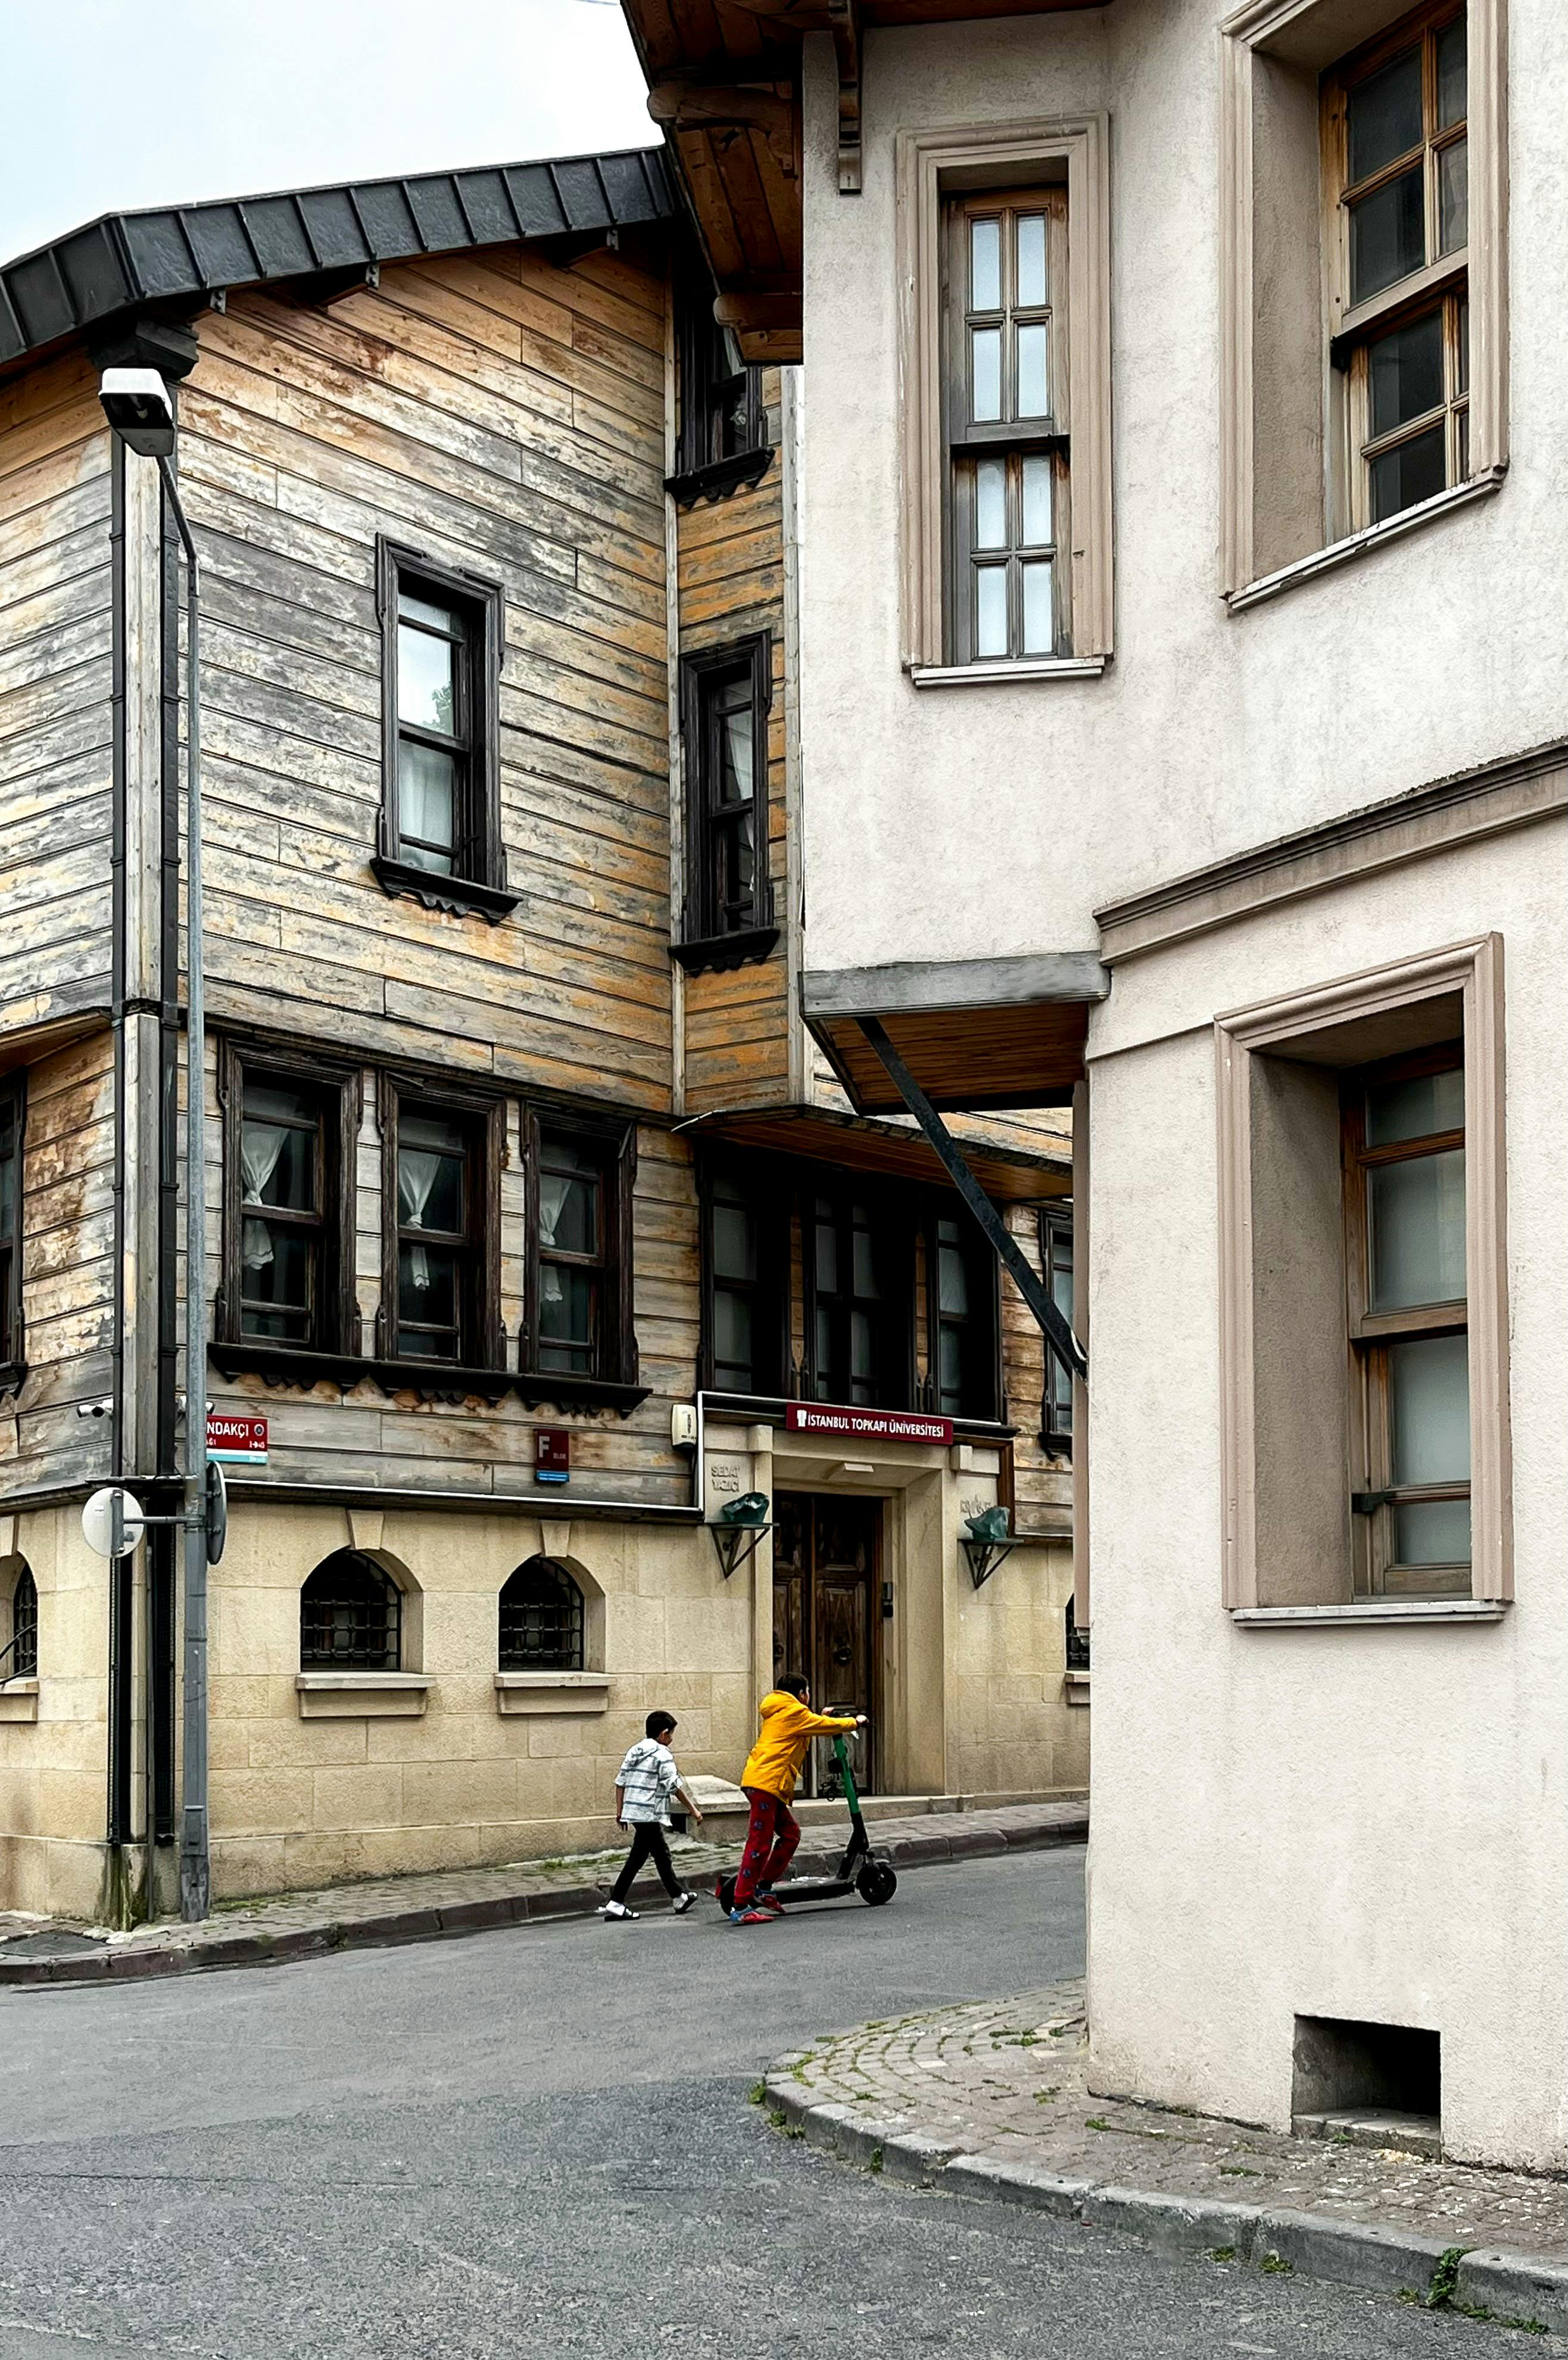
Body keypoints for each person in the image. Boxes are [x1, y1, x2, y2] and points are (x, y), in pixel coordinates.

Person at [728, 1675, 865, 1926]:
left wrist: (823, 1716)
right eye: (808, 1692)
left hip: (767, 1783)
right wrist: (855, 1722)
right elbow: (815, 1724)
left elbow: (811, 1724)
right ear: (802, 1694)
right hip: (766, 1784)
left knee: (791, 1834)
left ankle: (764, 1886)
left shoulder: (783, 1709)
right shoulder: (793, 1713)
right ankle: (741, 1904)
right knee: (759, 1844)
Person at [601, 1710, 705, 1922]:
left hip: (635, 1812)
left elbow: (620, 1782)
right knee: (644, 1858)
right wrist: (693, 1810)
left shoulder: (634, 1751)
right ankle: (616, 1902)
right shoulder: (662, 1755)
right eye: (671, 1734)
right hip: (649, 1812)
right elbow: (674, 1787)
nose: (672, 1739)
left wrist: (620, 1812)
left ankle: (678, 1897)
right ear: (663, 1733)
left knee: (657, 1855)